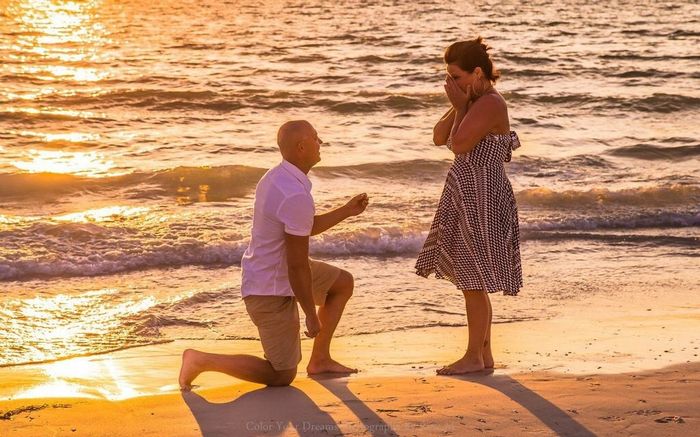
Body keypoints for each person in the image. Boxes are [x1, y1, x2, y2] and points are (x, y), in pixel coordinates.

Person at [179, 120, 369, 389]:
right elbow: (297, 265)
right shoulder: (293, 193)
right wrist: (310, 314)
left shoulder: (279, 176)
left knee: (341, 284)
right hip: (268, 289)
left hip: (279, 272)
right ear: (301, 147)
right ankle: (200, 361)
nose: (321, 142)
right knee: (281, 375)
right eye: (316, 138)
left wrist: (346, 211)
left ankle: (320, 360)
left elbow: (303, 227)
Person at [415, 37, 522, 374]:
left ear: (477, 73)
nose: (451, 83)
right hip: (468, 192)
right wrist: (459, 104)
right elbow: (439, 137)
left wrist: (461, 107)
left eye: (456, 77)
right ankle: (482, 355)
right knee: (470, 277)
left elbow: (459, 144)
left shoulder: (490, 103)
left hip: (482, 194)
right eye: (448, 77)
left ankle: (474, 356)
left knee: (473, 279)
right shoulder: (474, 100)